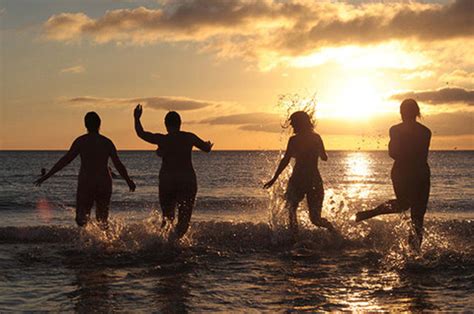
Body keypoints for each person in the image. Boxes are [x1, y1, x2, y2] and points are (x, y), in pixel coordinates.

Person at [34, 112, 136, 228]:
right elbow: (118, 164)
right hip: (104, 182)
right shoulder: (106, 142)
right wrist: (128, 180)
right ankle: (103, 243)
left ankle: (88, 241)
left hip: (87, 182)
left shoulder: (81, 141)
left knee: (81, 219)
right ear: (99, 124)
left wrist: (46, 176)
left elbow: (65, 160)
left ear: (85, 125)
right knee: (102, 219)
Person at [355, 99, 431, 251]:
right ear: (417, 113)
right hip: (420, 172)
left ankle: (373, 212)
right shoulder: (425, 131)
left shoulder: (395, 130)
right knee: (417, 214)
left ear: (402, 113)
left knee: (404, 205)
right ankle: (415, 253)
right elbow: (421, 154)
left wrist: (404, 155)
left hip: (403, 171)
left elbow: (393, 153)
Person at [133, 104, 213, 240]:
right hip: (187, 181)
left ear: (165, 124)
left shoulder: (163, 139)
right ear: (180, 124)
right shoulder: (189, 137)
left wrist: (136, 118)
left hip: (167, 182)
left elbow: (141, 133)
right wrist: (209, 144)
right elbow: (206, 148)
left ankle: (164, 245)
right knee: (183, 222)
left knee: (167, 219)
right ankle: (174, 243)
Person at [264, 111, 335, 236]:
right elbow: (324, 157)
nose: (292, 126)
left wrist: (274, 179)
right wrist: (316, 151)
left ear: (300, 123)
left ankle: (294, 239)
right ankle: (335, 233)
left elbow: (286, 160)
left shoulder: (294, 140)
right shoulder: (316, 138)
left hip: (298, 180)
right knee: (315, 219)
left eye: (294, 123)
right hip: (313, 180)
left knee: (292, 211)